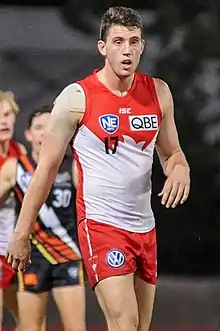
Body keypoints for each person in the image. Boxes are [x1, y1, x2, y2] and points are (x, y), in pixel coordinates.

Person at [7, 6, 190, 331]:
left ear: (142, 46)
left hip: (145, 229)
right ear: (102, 47)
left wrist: (180, 167)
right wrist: (21, 233)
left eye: (134, 42)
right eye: (118, 41)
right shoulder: (77, 98)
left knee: (139, 327)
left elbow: (172, 152)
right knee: (125, 323)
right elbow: (45, 170)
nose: (127, 50)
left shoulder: (158, 93)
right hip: (101, 226)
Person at [0, 106, 86, 331]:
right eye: (38, 128)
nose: (44, 133)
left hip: (66, 255)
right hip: (30, 258)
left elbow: (92, 201)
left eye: (50, 128)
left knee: (76, 328)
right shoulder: (14, 168)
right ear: (28, 134)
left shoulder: (73, 165)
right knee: (31, 328)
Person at [0, 90, 25, 330]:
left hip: (11, 249)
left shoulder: (20, 152)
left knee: (27, 322)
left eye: (7, 114)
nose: (3, 121)